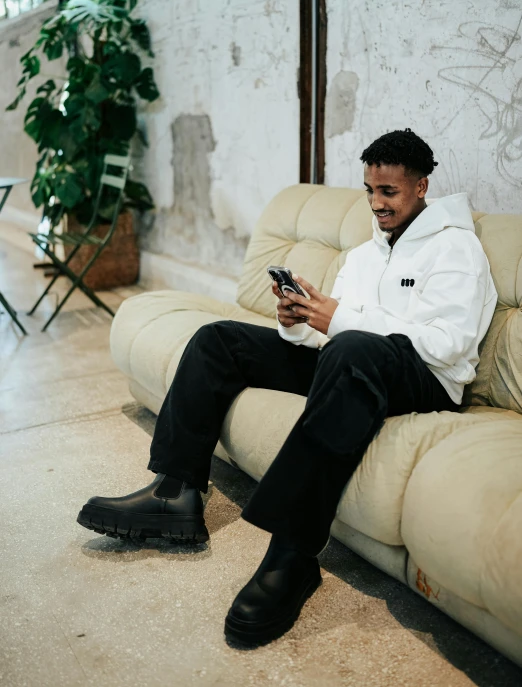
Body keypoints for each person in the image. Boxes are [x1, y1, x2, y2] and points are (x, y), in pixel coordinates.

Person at [77, 129, 497, 646]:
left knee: (351, 348)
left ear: (421, 187)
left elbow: (448, 343)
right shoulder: (367, 254)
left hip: (426, 379)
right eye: (369, 190)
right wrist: (298, 319)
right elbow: (332, 332)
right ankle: (176, 494)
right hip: (349, 360)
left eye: (388, 192)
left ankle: (293, 556)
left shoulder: (456, 247)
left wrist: (340, 320)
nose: (376, 203)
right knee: (218, 341)